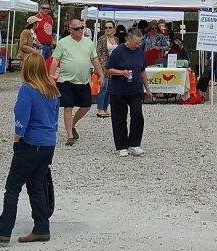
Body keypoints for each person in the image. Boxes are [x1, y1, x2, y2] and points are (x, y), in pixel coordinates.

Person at [0, 52, 60, 245]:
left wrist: (17, 139)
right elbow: (54, 118)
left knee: (13, 187)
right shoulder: (52, 89)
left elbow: (22, 117)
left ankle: (4, 230)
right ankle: (42, 228)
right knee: (36, 186)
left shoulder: (28, 89)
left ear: (27, 69)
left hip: (30, 142)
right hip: (47, 143)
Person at [54, 17, 105, 146]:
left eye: (81, 28)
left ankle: (73, 125)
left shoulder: (88, 43)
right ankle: (70, 136)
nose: (80, 30)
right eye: (76, 28)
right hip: (65, 80)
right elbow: (55, 60)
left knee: (86, 106)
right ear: (70, 29)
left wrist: (101, 75)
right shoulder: (63, 42)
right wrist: (50, 75)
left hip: (82, 80)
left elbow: (95, 59)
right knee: (68, 107)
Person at [105, 27, 151, 157]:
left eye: (139, 42)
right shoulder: (118, 51)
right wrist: (121, 72)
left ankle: (134, 143)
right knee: (119, 118)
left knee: (137, 115)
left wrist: (147, 88)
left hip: (135, 89)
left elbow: (142, 70)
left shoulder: (139, 51)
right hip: (119, 90)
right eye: (136, 42)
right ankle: (121, 146)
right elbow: (107, 69)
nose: (138, 45)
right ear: (128, 39)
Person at [94, 24, 123, 119]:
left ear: (114, 29)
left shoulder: (116, 39)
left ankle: (105, 108)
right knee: (104, 86)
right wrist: (100, 67)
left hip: (113, 65)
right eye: (106, 27)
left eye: (110, 27)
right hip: (104, 65)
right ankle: (100, 108)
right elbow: (98, 53)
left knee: (110, 88)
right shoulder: (102, 39)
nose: (107, 29)